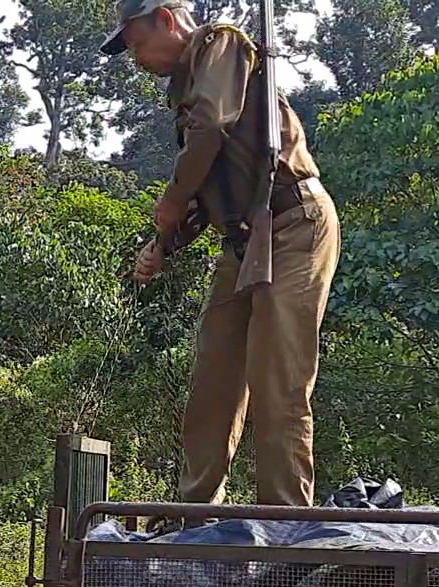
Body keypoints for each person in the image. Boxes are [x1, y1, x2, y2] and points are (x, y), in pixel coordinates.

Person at [104, 0, 341, 507]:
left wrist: (170, 199)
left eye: (138, 45)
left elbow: (212, 128)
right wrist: (163, 244)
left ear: (166, 19)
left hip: (294, 223)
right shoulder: (184, 90)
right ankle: (197, 515)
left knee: (278, 381)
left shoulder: (222, 45)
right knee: (214, 378)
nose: (138, 60)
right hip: (242, 239)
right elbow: (211, 185)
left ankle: (282, 526)